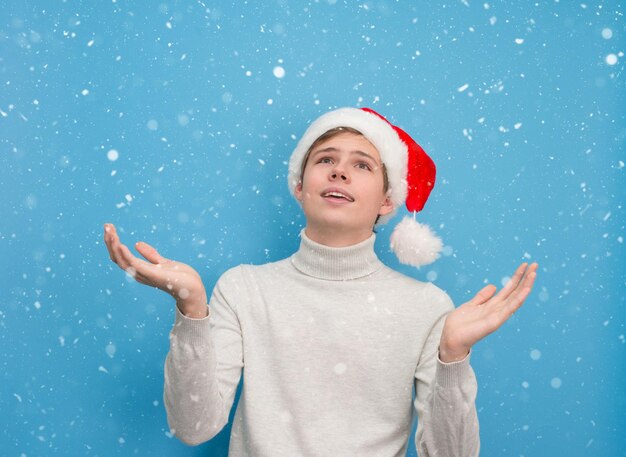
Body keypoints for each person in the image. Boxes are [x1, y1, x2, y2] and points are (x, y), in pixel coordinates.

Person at [103, 107, 537, 457]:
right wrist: (192, 311)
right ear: (299, 184)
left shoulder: (426, 307)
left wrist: (453, 356)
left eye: (362, 165)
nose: (339, 172)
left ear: (388, 200)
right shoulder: (243, 289)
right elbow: (193, 426)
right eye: (325, 159)